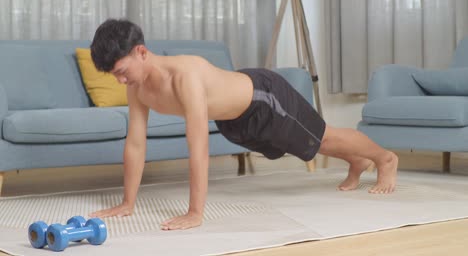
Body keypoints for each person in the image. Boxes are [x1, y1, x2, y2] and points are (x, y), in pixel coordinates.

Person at [88, 19, 398, 231]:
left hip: (265, 99)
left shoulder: (185, 77)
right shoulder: (136, 86)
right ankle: (357, 160)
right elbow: (136, 143)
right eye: (113, 75)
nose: (120, 80)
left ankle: (385, 159)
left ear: (141, 52)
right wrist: (127, 203)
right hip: (234, 121)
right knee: (306, 147)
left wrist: (195, 213)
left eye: (121, 70)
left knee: (322, 139)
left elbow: (198, 146)